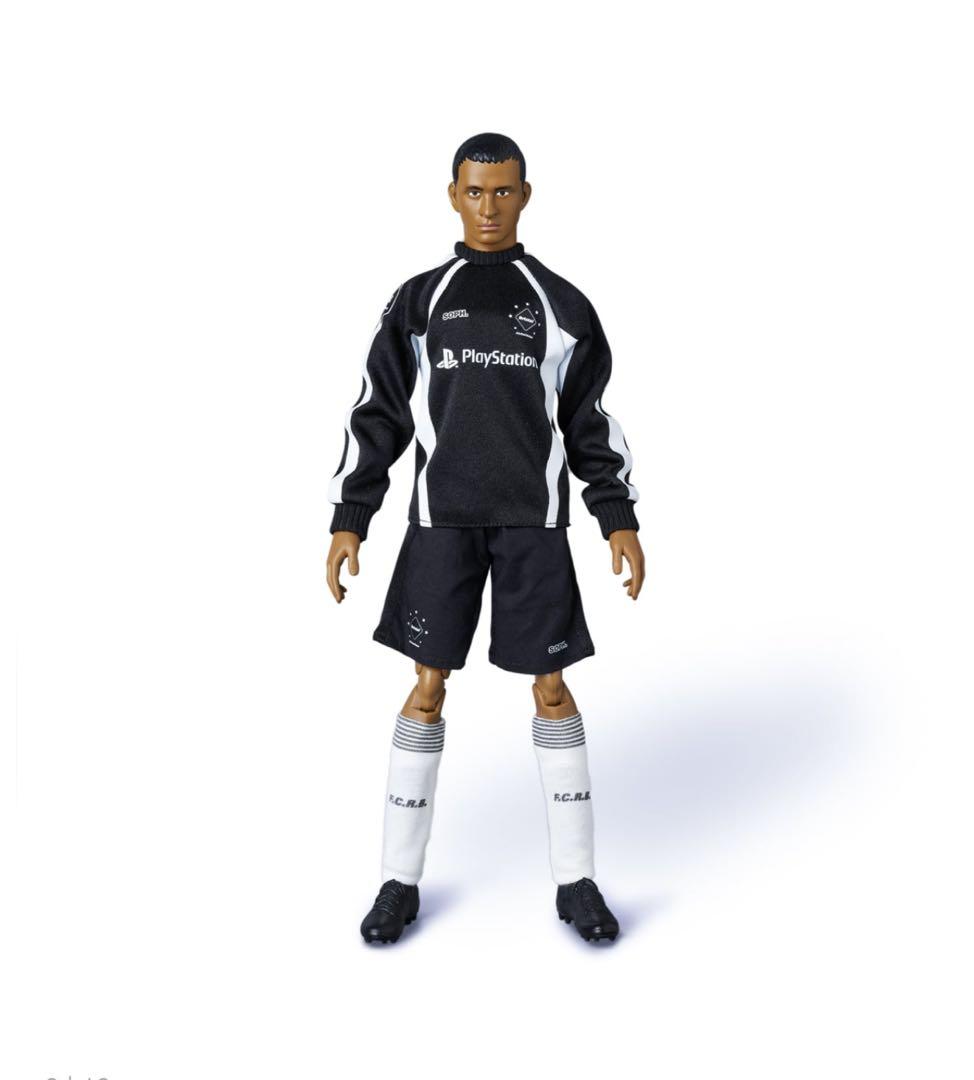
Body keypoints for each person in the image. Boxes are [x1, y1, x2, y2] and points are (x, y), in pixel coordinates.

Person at [326, 132, 645, 944]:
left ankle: (577, 881)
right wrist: (351, 517)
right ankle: (398, 881)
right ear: (453, 196)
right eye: (475, 191)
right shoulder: (420, 300)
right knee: (427, 686)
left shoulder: (561, 304)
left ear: (525, 196)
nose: (489, 206)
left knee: (552, 688)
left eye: (503, 191)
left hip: (534, 525)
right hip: (441, 521)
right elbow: (378, 412)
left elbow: (589, 421)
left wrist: (616, 516)